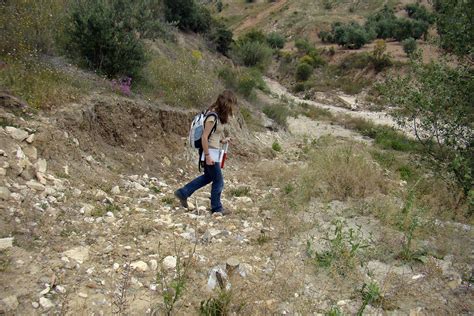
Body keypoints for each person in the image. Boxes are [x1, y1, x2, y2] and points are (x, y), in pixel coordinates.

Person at [174, 90, 237, 215]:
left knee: (208, 177)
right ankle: (217, 208)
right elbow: (204, 137)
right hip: (210, 153)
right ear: (226, 103)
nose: (233, 107)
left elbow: (213, 136)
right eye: (232, 104)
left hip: (213, 151)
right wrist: (207, 156)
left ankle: (183, 192)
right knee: (219, 181)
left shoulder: (217, 116)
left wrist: (223, 140)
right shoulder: (212, 116)